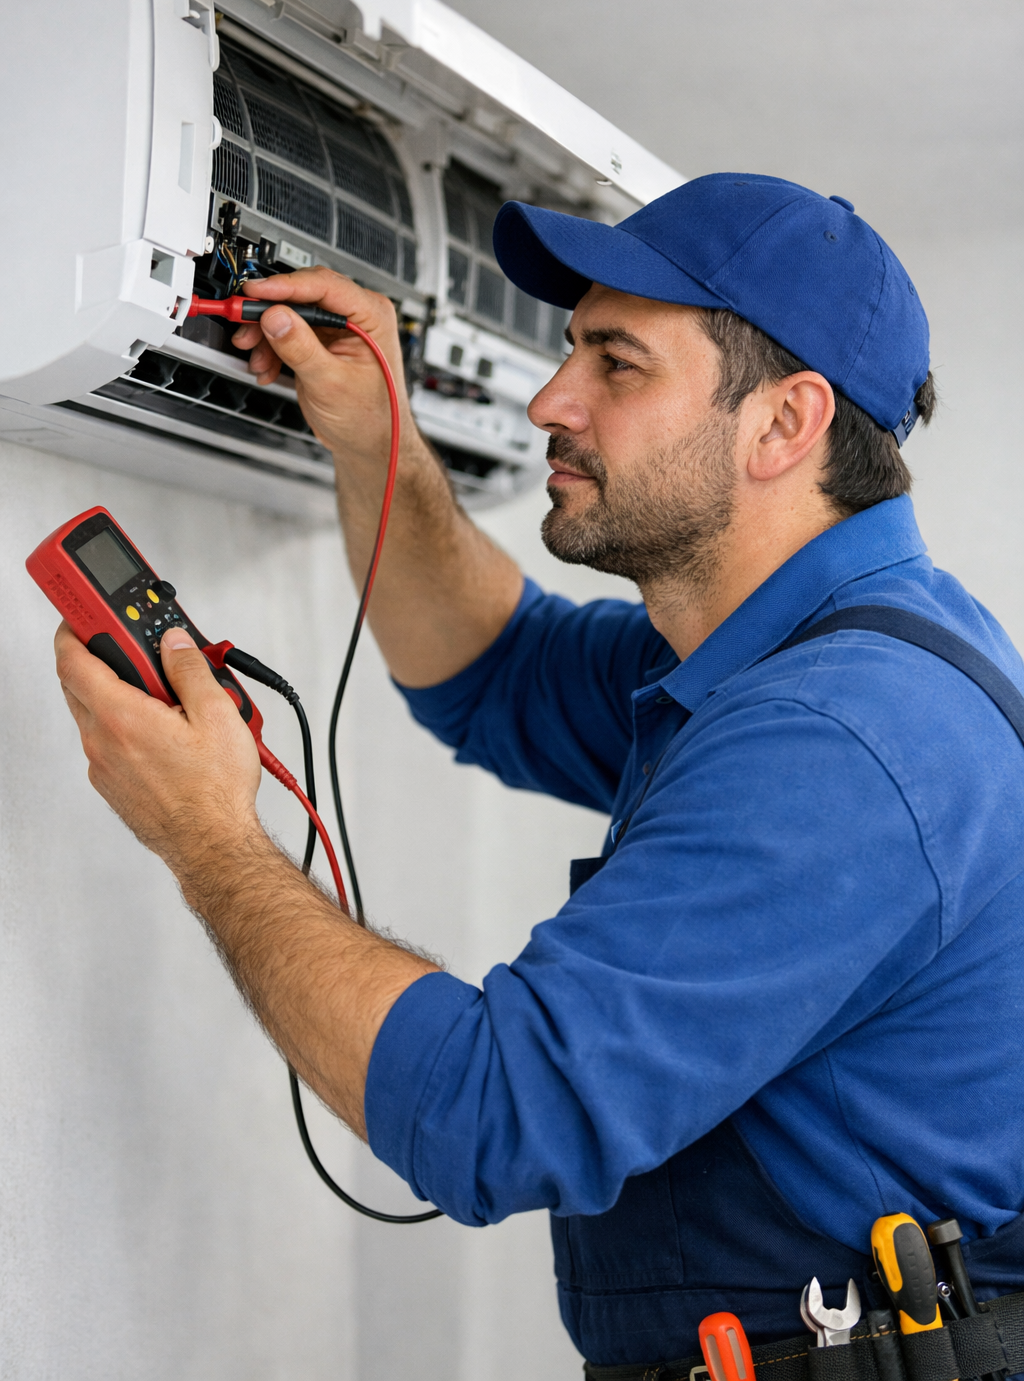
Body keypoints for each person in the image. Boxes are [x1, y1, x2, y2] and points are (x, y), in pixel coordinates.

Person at [55, 174, 1024, 1373]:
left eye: (616, 363)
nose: (549, 397)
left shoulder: (845, 735)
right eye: (573, 351)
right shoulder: (797, 645)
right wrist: (383, 440)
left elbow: (493, 1113)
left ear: (785, 424)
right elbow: (491, 669)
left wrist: (207, 836)